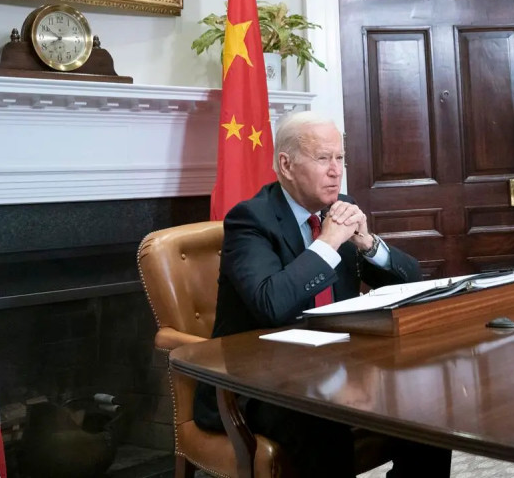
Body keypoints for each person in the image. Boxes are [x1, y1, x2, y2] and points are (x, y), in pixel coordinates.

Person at [193, 111, 451, 477]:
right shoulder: (250, 220)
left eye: (340, 158)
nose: (336, 170)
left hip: (337, 364)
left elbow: (410, 279)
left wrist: (367, 243)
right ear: (286, 164)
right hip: (259, 380)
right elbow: (271, 304)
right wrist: (329, 242)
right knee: (321, 420)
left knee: (428, 402)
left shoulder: (338, 207)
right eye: (323, 158)